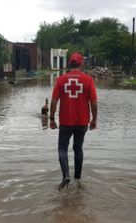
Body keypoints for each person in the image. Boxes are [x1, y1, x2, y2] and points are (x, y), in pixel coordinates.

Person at [49, 52, 97, 191]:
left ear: (69, 64)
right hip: (82, 122)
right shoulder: (88, 80)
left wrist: (51, 118)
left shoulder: (60, 80)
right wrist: (94, 119)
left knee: (62, 148)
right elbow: (93, 103)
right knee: (78, 148)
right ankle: (78, 179)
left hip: (65, 122)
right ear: (81, 63)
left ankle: (65, 175)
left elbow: (54, 101)